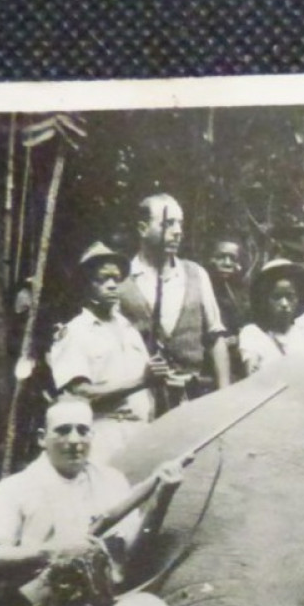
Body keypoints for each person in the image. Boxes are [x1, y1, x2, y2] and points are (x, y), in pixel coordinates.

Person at [0, 395, 187, 606]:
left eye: (83, 430)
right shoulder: (15, 488)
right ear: (42, 438)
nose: (74, 440)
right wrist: (52, 551)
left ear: (92, 435)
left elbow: (134, 554)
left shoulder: (111, 481)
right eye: (63, 430)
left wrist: (163, 495)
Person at [47, 242, 168, 465]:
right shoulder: (76, 332)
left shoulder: (129, 329)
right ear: (85, 286)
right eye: (102, 279)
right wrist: (142, 381)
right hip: (103, 436)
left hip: (142, 434)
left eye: (117, 278)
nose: (112, 285)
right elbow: (79, 396)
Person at [118, 194, 231, 400]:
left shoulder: (196, 274)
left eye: (180, 224)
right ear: (143, 229)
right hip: (140, 400)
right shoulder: (122, 281)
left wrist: (225, 396)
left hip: (191, 398)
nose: (178, 232)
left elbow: (215, 338)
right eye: (168, 224)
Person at [237, 259, 304, 374]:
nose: (284, 304)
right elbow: (252, 371)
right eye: (276, 297)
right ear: (264, 300)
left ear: (298, 299)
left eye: (290, 297)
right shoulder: (253, 333)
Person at [207, 238, 249, 379]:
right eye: (221, 257)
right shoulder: (204, 289)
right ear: (210, 259)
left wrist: (239, 339)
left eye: (232, 259)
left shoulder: (241, 292)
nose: (227, 263)